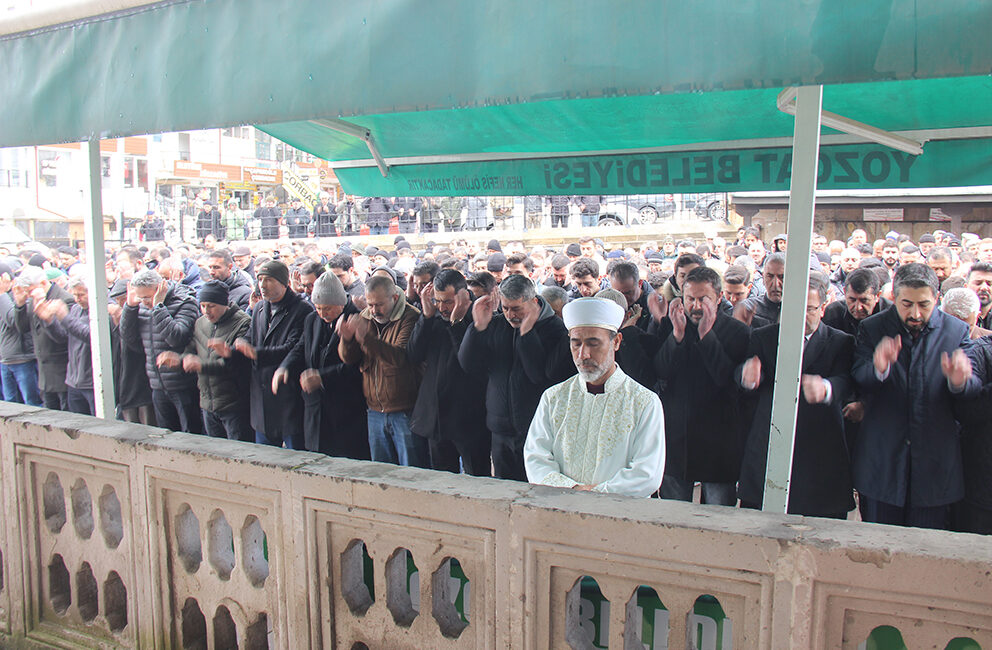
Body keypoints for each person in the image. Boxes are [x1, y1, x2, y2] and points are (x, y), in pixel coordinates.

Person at [851, 263, 978, 529]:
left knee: (927, 548)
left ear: (937, 299)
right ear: (893, 298)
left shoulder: (955, 332)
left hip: (934, 465)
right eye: (906, 304)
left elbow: (973, 389)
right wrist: (879, 367)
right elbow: (859, 376)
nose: (915, 313)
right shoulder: (873, 328)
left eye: (924, 305)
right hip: (883, 461)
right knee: (878, 544)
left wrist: (960, 381)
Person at [737, 272, 856, 517]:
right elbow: (744, 374)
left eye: (809, 309)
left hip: (819, 447)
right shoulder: (764, 337)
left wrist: (826, 387)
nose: (801, 316)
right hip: (771, 443)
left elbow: (847, 382)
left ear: (823, 308)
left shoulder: (840, 342)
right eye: (795, 308)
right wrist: (747, 377)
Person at [524, 297, 665, 496]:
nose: (583, 355)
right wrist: (572, 490)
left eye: (593, 344)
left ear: (616, 342)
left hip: (619, 516)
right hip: (560, 507)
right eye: (576, 344)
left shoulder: (644, 402)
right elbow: (535, 457)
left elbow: (647, 473)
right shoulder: (554, 397)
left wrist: (596, 494)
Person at [654, 266, 750, 505]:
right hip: (676, 439)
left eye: (703, 299)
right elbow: (659, 372)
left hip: (718, 442)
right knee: (674, 515)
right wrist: (676, 336)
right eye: (690, 299)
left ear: (718, 299)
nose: (696, 307)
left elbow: (729, 381)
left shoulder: (737, 332)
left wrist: (707, 336)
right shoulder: (670, 325)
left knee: (718, 518)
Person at [458, 274, 568, 480]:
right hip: (500, 429)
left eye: (517, 309)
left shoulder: (554, 328)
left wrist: (527, 334)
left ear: (534, 302)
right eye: (506, 308)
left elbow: (538, 376)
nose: (510, 315)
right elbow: (469, 366)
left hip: (536, 432)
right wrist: (477, 329)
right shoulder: (497, 324)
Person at [277, 272, 369, 459]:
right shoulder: (312, 319)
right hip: (315, 408)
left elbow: (356, 365)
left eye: (327, 308)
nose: (322, 313)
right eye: (318, 308)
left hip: (345, 410)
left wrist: (322, 377)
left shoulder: (356, 319)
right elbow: (300, 347)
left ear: (341, 304)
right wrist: (285, 366)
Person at [407, 269, 490, 475]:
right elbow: (413, 356)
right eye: (438, 301)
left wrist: (457, 323)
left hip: (469, 420)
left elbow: (471, 363)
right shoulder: (432, 316)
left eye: (448, 302)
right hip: (436, 419)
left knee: (476, 480)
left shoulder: (480, 317)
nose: (442, 308)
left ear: (462, 296)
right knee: (442, 480)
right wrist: (426, 317)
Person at [338, 274, 426, 466]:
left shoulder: (411, 318)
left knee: (411, 471)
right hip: (374, 411)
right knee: (381, 471)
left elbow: (400, 358)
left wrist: (366, 339)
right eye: (370, 305)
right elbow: (349, 359)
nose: (374, 311)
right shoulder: (365, 318)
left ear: (394, 298)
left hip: (404, 411)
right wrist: (346, 339)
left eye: (379, 305)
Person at [230, 260, 313, 448]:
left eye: (268, 280)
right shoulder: (260, 308)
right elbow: (252, 336)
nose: (262, 285)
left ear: (283, 283)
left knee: (295, 457)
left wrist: (256, 353)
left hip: (288, 395)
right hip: (261, 399)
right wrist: (234, 348)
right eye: (260, 279)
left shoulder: (302, 310)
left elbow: (293, 347)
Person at [158, 280, 252, 441]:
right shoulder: (201, 323)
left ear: (224, 303)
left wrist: (200, 366)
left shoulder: (243, 323)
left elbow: (237, 363)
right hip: (207, 403)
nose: (206, 311)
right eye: (202, 306)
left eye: (211, 306)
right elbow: (191, 351)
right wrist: (178, 360)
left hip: (234, 404)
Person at [120, 268, 202, 433]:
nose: (145, 303)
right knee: (165, 433)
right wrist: (129, 308)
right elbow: (130, 339)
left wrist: (158, 306)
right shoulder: (141, 306)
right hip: (157, 383)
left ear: (160, 288)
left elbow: (176, 338)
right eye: (141, 298)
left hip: (183, 382)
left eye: (148, 298)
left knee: (191, 433)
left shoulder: (184, 302)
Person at [12, 265, 74, 410]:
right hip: (44, 373)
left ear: (43, 283)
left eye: (30, 291)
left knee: (66, 414)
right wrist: (20, 305)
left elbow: (62, 337)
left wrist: (46, 317)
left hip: (62, 370)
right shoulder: (32, 300)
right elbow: (23, 328)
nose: (28, 295)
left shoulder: (64, 299)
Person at [44, 277, 96, 415]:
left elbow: (90, 336)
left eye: (81, 295)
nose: (77, 299)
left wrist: (64, 317)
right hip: (74, 379)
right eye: (74, 295)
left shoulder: (103, 309)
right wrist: (50, 322)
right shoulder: (75, 309)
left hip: (93, 381)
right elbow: (64, 337)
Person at [736, 252, 785, 328]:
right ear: (763, 277)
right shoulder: (748, 308)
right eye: (770, 276)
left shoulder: (800, 310)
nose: (775, 284)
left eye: (781, 277)